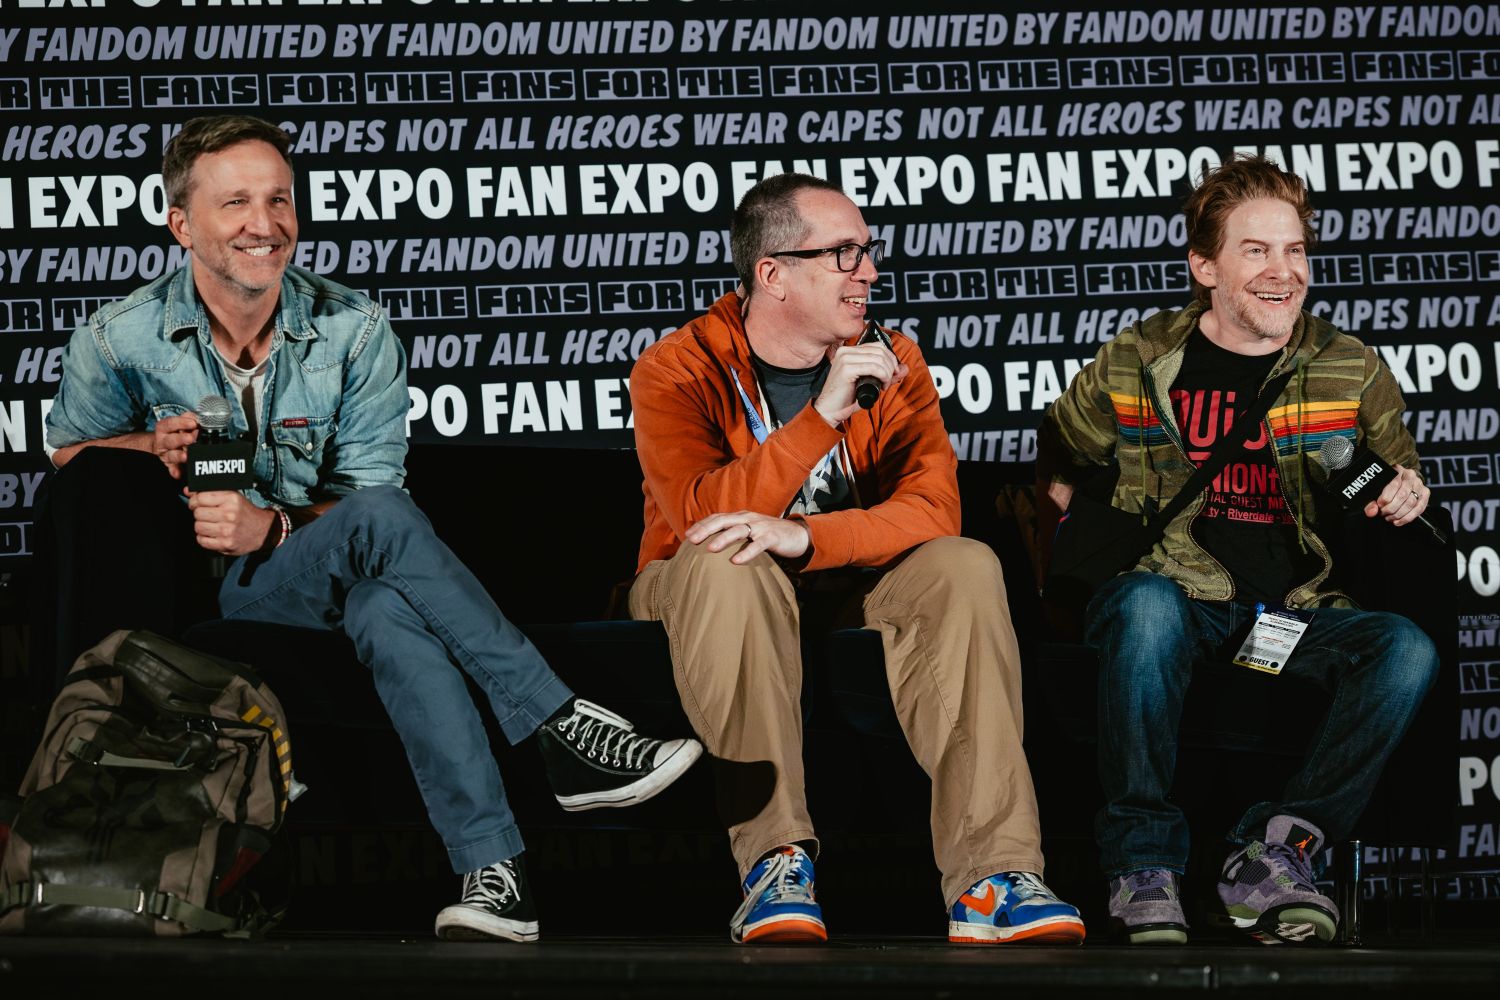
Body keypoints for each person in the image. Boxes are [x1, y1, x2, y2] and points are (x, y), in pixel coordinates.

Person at [41, 115, 702, 942]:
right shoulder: (119, 336)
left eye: (279, 200)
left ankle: (494, 879)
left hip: (316, 562)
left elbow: (369, 500)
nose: (265, 223)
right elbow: (69, 455)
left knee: (385, 602)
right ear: (182, 224)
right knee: (385, 554)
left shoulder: (354, 329)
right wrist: (150, 445)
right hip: (223, 593)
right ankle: (562, 726)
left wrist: (273, 529)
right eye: (236, 202)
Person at [627, 172, 1084, 945]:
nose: (867, 271)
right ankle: (774, 864)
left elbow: (933, 510)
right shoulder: (677, 366)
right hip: (702, 584)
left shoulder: (892, 359)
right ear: (773, 273)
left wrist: (808, 537)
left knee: (963, 563)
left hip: (848, 582)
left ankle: (994, 877)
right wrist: (821, 417)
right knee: (729, 558)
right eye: (843, 253)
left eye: (867, 251)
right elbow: (701, 516)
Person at [1035, 154, 1439, 945]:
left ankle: (1275, 853)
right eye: (1256, 250)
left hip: (1279, 622)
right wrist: (1064, 510)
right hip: (1172, 598)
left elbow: (1400, 481)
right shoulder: (1138, 356)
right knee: (1147, 607)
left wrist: (1405, 493)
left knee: (1404, 649)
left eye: (1294, 250)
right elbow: (1061, 446)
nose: (1282, 272)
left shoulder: (1348, 366)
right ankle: (1142, 864)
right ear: (1205, 267)